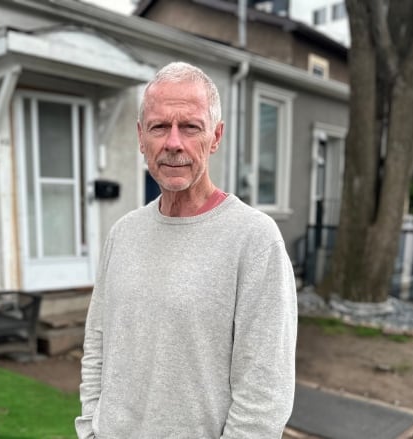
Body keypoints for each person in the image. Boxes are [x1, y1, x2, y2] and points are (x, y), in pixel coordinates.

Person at [75, 61, 297, 438]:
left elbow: (264, 390)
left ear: (216, 136)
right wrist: (90, 428)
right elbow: (97, 344)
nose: (173, 143)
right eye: (160, 127)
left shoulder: (255, 240)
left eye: (190, 127)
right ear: (141, 136)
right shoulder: (123, 234)